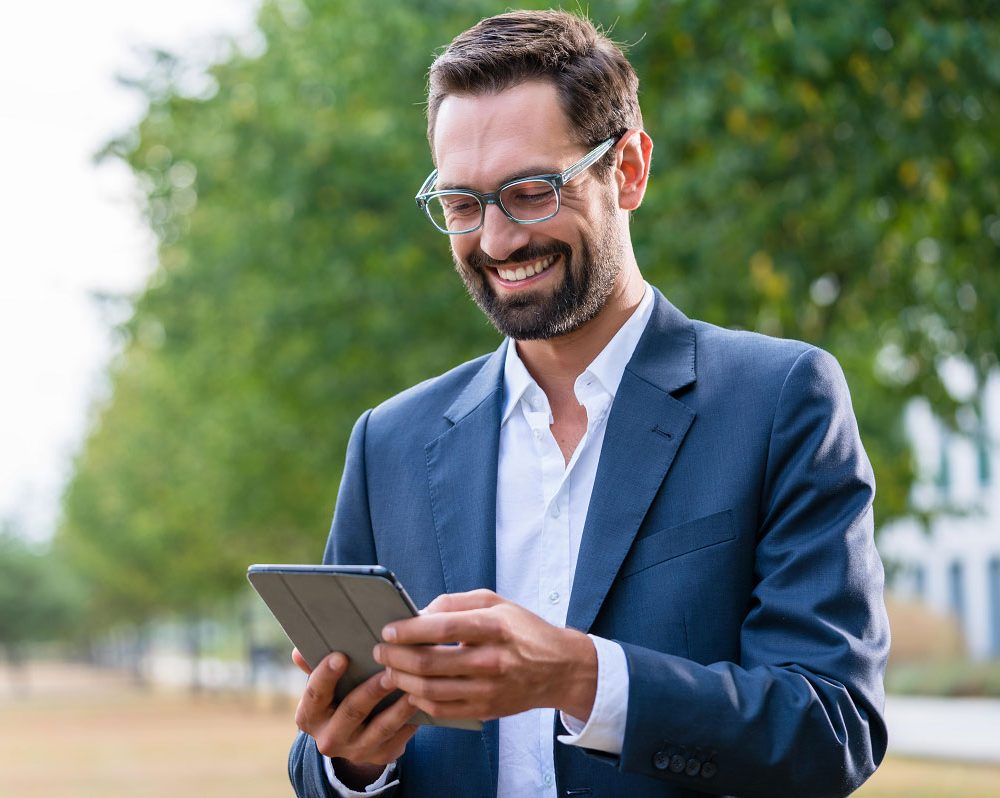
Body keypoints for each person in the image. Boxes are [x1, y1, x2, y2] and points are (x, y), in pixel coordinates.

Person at [288, 10, 890, 798]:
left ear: (629, 170)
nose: (497, 241)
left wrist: (580, 678)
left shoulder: (780, 400)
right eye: (463, 205)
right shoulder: (388, 443)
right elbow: (318, 763)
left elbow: (831, 727)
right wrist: (352, 759)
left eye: (531, 192)